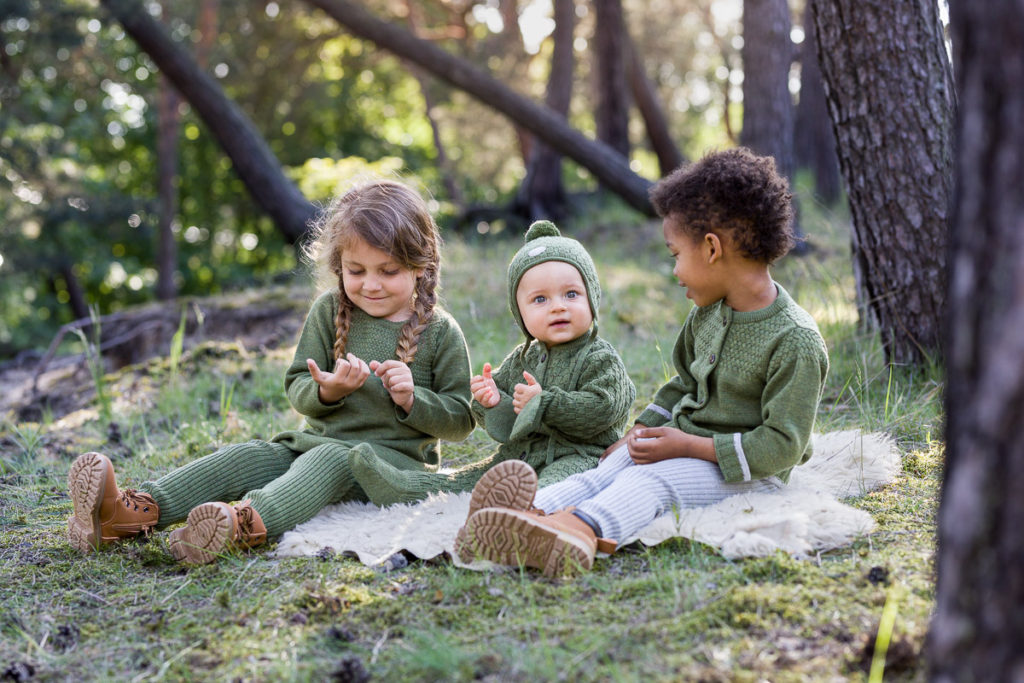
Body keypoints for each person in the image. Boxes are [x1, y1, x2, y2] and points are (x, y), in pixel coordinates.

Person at [457, 148, 830, 577]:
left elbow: (783, 447)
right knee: (613, 466)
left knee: (649, 482)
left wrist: (687, 446)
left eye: (675, 254)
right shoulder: (708, 312)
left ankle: (576, 533)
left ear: (711, 249)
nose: (674, 271)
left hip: (751, 471)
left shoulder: (794, 340)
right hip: (690, 445)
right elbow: (682, 386)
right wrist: (638, 433)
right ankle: (521, 514)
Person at [66, 179, 475, 564]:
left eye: (388, 271)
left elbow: (461, 420)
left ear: (421, 266)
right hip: (312, 445)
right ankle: (131, 513)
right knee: (249, 456)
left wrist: (411, 399)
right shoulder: (330, 311)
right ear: (339, 266)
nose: (371, 285)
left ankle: (243, 524)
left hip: (386, 466)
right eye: (356, 271)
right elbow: (297, 385)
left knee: (332, 459)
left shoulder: (439, 332)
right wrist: (329, 392)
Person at [348, 220, 635, 508]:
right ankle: (404, 488)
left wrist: (543, 403)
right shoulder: (523, 358)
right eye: (540, 299)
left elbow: (604, 407)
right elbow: (504, 422)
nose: (558, 306)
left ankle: (525, 513)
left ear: (592, 298)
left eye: (571, 294)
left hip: (579, 455)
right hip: (520, 454)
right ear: (520, 314)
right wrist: (492, 401)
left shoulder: (600, 357)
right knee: (469, 479)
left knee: (552, 489)